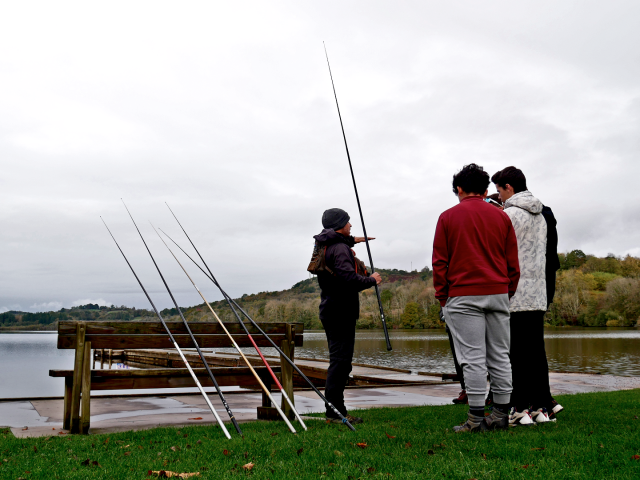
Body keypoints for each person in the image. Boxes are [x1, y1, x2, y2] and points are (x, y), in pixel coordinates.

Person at [433, 164, 520, 432]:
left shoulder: (447, 217)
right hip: (497, 293)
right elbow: (513, 263)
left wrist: (443, 298)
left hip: (463, 295)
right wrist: (507, 291)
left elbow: (440, 264)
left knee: (472, 358)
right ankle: (501, 416)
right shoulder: (502, 217)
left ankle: (475, 420)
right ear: (485, 190)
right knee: (500, 356)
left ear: (458, 189)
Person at [491, 166, 563, 425]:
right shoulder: (542, 215)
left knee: (515, 353)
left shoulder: (508, 215)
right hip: (538, 292)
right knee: (535, 351)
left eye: (499, 190)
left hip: (514, 293)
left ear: (509, 188)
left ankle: (519, 407)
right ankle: (541, 408)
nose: (498, 196)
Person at [313, 208, 382, 424]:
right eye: (348, 222)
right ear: (340, 224)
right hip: (341, 311)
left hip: (331, 309)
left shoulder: (324, 244)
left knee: (340, 361)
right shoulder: (340, 248)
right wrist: (372, 280)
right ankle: (335, 412)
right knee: (341, 363)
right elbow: (348, 279)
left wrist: (354, 240)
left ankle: (335, 409)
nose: (351, 225)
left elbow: (336, 244)